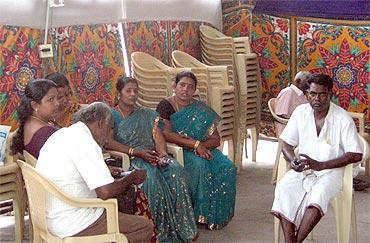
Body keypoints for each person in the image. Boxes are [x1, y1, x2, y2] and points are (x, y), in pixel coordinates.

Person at [36, 102, 153, 242]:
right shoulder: (86, 141)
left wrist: (107, 171)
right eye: (110, 129)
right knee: (143, 226)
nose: (109, 136)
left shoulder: (63, 134)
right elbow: (105, 192)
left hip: (49, 216)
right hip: (73, 223)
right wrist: (132, 177)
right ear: (100, 123)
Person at [271, 74, 363, 243]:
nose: (317, 99)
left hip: (332, 171)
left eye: (323, 94)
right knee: (283, 187)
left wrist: (321, 165)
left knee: (319, 194)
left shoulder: (342, 118)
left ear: (330, 94)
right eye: (313, 94)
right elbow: (286, 144)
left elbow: (356, 154)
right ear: (306, 94)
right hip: (305, 168)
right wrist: (292, 160)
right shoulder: (301, 112)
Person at [106, 77, 198, 242]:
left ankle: (183, 227)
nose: (133, 94)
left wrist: (163, 155)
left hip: (153, 155)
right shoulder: (111, 115)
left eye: (136, 90)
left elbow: (158, 137)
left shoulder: (147, 114)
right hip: (131, 159)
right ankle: (157, 231)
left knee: (176, 171)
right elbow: (108, 142)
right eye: (128, 91)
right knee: (151, 180)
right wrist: (136, 152)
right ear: (119, 93)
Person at [156, 71, 236, 230]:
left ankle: (216, 216)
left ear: (194, 90)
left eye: (190, 87)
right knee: (200, 165)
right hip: (180, 149)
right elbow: (166, 134)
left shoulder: (200, 108)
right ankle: (198, 214)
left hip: (202, 148)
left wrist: (201, 147)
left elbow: (215, 139)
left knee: (227, 167)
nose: (185, 90)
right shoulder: (166, 105)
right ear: (175, 85)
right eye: (182, 85)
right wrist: (194, 145)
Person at [11, 79, 59, 158]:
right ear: (35, 105)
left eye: (57, 98)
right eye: (51, 99)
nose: (57, 103)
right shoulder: (46, 133)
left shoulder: (29, 122)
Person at [274, 71, 311, 136]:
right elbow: (280, 115)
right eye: (308, 82)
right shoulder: (288, 92)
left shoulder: (302, 94)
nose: (310, 85)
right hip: (289, 129)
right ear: (298, 81)